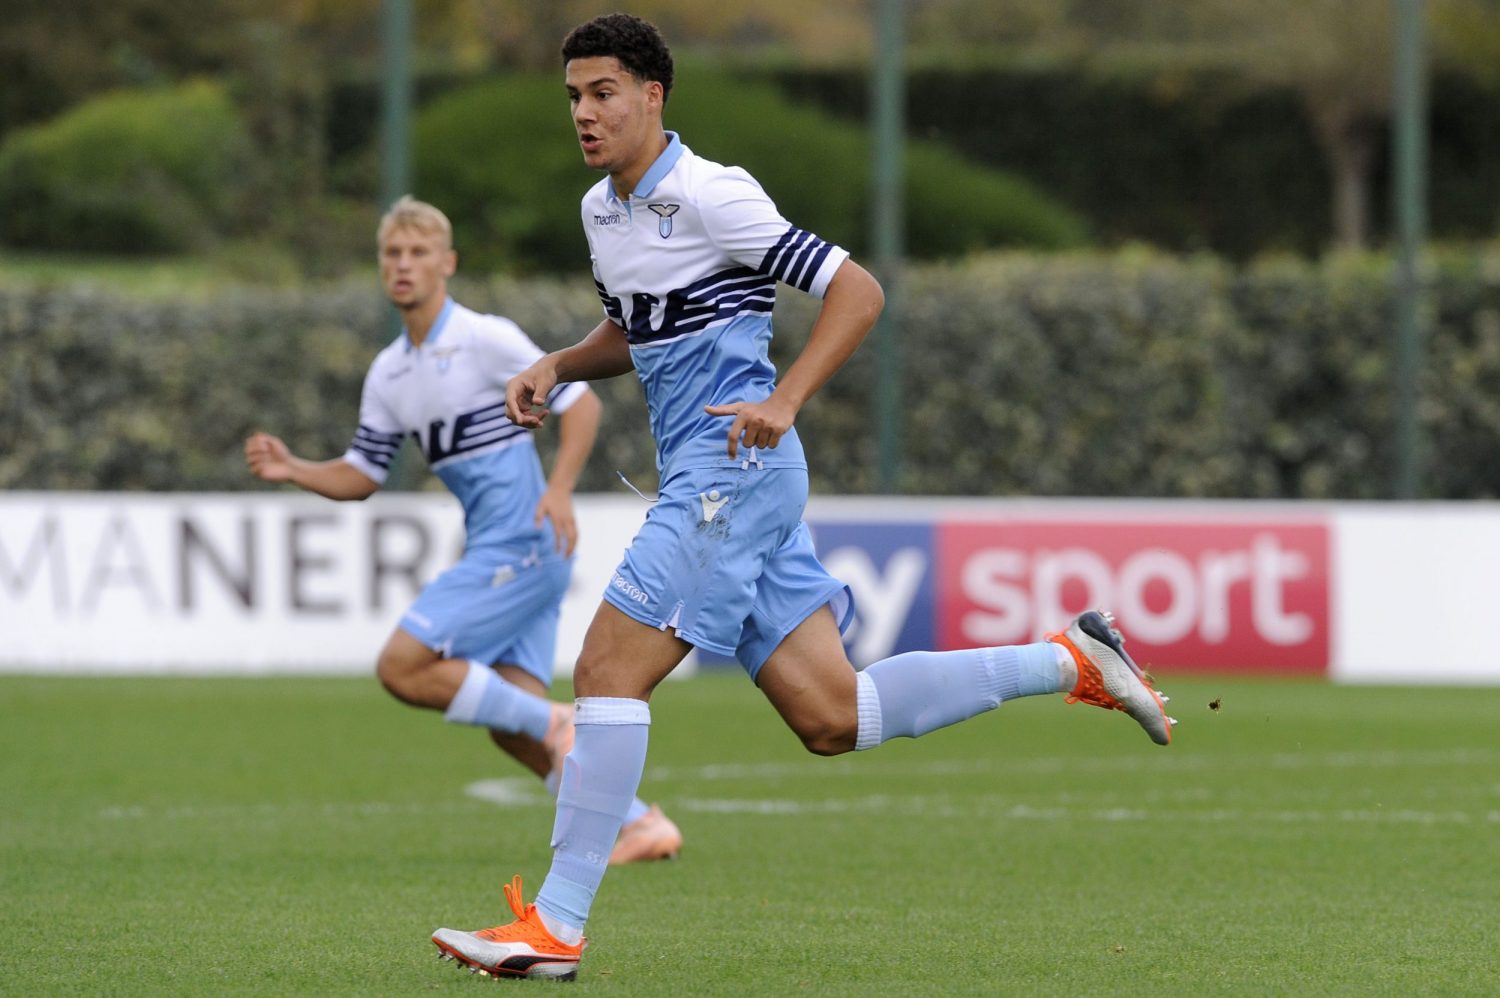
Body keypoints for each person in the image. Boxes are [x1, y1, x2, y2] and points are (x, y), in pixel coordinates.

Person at [429, 14, 1176, 982]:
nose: (585, 111)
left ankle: (557, 926)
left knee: (608, 670)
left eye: (604, 91)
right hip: (735, 477)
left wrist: (786, 396)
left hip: (730, 471)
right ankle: (1066, 656)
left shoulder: (713, 192)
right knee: (833, 716)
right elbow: (641, 328)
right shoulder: (603, 213)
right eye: (574, 95)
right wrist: (561, 361)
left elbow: (856, 290)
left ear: (655, 96)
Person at [244, 195, 682, 866]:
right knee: (509, 725)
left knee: (403, 666)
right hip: (501, 549)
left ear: (446, 264)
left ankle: (559, 722)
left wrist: (560, 489)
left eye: (419, 253)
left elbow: (581, 401)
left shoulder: (483, 338)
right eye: (393, 253)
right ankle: (641, 823)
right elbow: (364, 473)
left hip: (527, 546)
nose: (403, 265)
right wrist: (294, 469)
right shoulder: (389, 372)